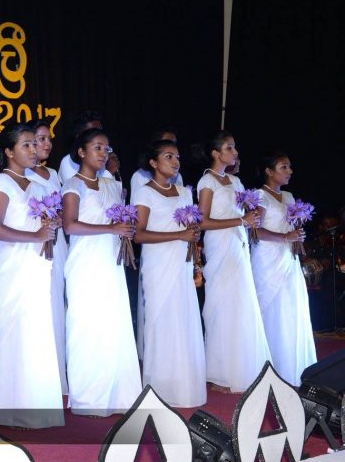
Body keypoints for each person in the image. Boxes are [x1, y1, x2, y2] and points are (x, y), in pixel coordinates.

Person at [0, 122, 64, 429]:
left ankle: (37, 405)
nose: (34, 150)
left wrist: (51, 224)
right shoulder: (1, 182)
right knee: (14, 331)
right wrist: (35, 236)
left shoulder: (38, 184)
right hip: (12, 265)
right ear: (9, 151)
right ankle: (12, 410)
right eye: (26, 145)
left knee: (35, 331)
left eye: (35, 144)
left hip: (36, 263)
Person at [62, 128, 142, 415]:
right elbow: (69, 225)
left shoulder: (111, 185)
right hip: (86, 262)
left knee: (113, 324)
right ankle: (89, 397)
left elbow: (119, 220)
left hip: (110, 261)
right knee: (87, 325)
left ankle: (119, 394)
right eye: (97, 147)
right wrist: (111, 229)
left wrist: (124, 229)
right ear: (81, 152)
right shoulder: (73, 185)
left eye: (106, 148)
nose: (103, 153)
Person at [195, 131, 271, 393]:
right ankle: (219, 374)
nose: (235, 152)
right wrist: (241, 220)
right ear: (216, 153)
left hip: (238, 245)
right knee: (221, 305)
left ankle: (242, 367)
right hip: (219, 245)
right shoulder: (207, 181)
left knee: (240, 304)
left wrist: (252, 216)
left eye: (235, 147)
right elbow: (202, 221)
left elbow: (243, 214)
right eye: (229, 148)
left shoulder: (236, 181)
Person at [132, 139, 206, 407]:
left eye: (177, 157)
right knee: (160, 320)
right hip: (157, 263)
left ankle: (185, 386)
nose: (175, 162)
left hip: (181, 263)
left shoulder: (185, 193)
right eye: (168, 156)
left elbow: (192, 232)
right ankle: (160, 388)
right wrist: (178, 235)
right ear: (153, 162)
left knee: (184, 320)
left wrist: (194, 245)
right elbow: (138, 235)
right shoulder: (144, 193)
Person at [252, 151, 316, 386]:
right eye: (283, 167)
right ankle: (267, 368)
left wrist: (296, 236)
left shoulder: (288, 196)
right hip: (268, 259)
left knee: (291, 309)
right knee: (271, 309)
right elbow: (255, 231)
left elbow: (290, 227)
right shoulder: (260, 196)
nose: (289, 171)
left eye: (289, 167)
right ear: (269, 171)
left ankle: (291, 366)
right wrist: (285, 237)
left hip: (288, 258)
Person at [26, 119, 68, 394]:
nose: (46, 144)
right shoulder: (20, 174)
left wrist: (60, 218)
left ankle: (58, 374)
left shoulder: (53, 173)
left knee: (57, 303)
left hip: (58, 243)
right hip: (34, 245)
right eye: (40, 139)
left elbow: (64, 207)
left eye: (48, 139)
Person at [57, 110, 118, 183]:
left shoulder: (105, 159)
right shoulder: (68, 162)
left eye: (100, 131)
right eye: (93, 132)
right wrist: (109, 172)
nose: (99, 135)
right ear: (79, 136)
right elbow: (83, 189)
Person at [129, 127, 184, 205]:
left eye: (174, 143)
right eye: (167, 142)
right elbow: (136, 207)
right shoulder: (140, 176)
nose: (171, 146)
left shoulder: (178, 176)